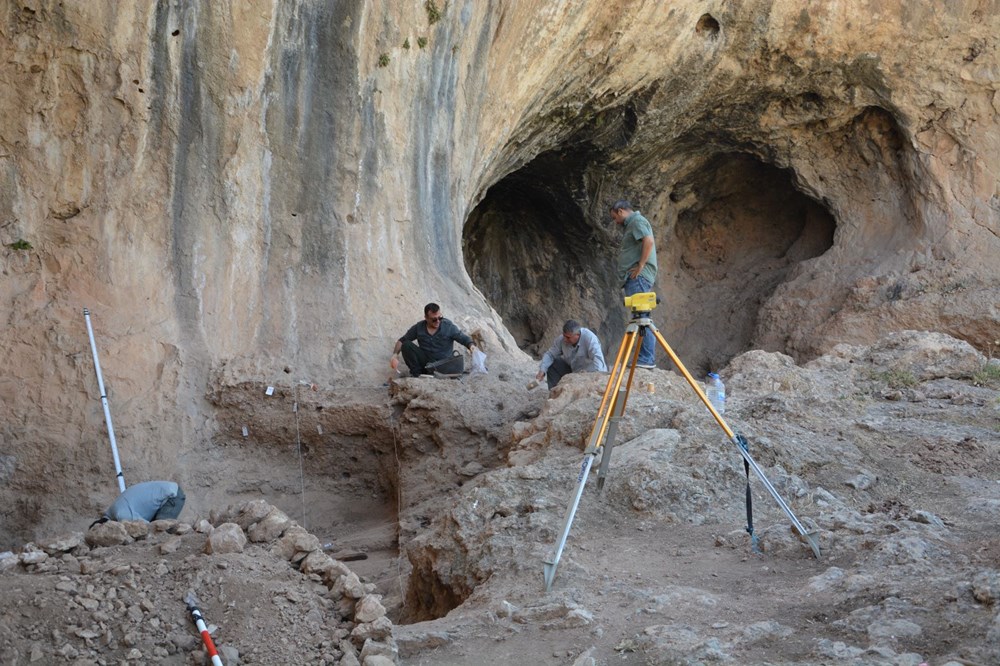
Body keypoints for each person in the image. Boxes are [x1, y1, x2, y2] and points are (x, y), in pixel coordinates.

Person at [611, 199, 658, 369]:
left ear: (621, 211)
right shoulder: (633, 224)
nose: (615, 221)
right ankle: (645, 357)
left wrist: (641, 265)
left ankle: (646, 358)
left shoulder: (637, 221)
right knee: (641, 318)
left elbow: (648, 241)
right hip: (635, 278)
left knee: (643, 318)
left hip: (638, 277)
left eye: (615, 217)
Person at [392, 302, 478, 377]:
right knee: (406, 345)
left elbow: (463, 338)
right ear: (426, 318)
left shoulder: (448, 326)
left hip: (443, 364)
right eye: (434, 319)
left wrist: (471, 346)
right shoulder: (419, 327)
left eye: (440, 318)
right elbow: (402, 340)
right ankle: (416, 375)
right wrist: (395, 355)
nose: (438, 321)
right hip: (426, 364)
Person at [536, 320, 607, 389]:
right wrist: (542, 370)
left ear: (577, 335)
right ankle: (555, 392)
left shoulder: (590, 338)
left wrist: (599, 380)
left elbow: (598, 359)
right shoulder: (562, 339)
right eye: (564, 336)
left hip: (589, 375)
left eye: (568, 337)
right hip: (573, 372)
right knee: (552, 363)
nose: (565, 339)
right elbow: (550, 354)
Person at [92, 480, 186, 526]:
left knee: (160, 528)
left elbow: (146, 527)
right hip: (167, 491)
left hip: (172, 495)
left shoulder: (121, 514)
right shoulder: (112, 511)